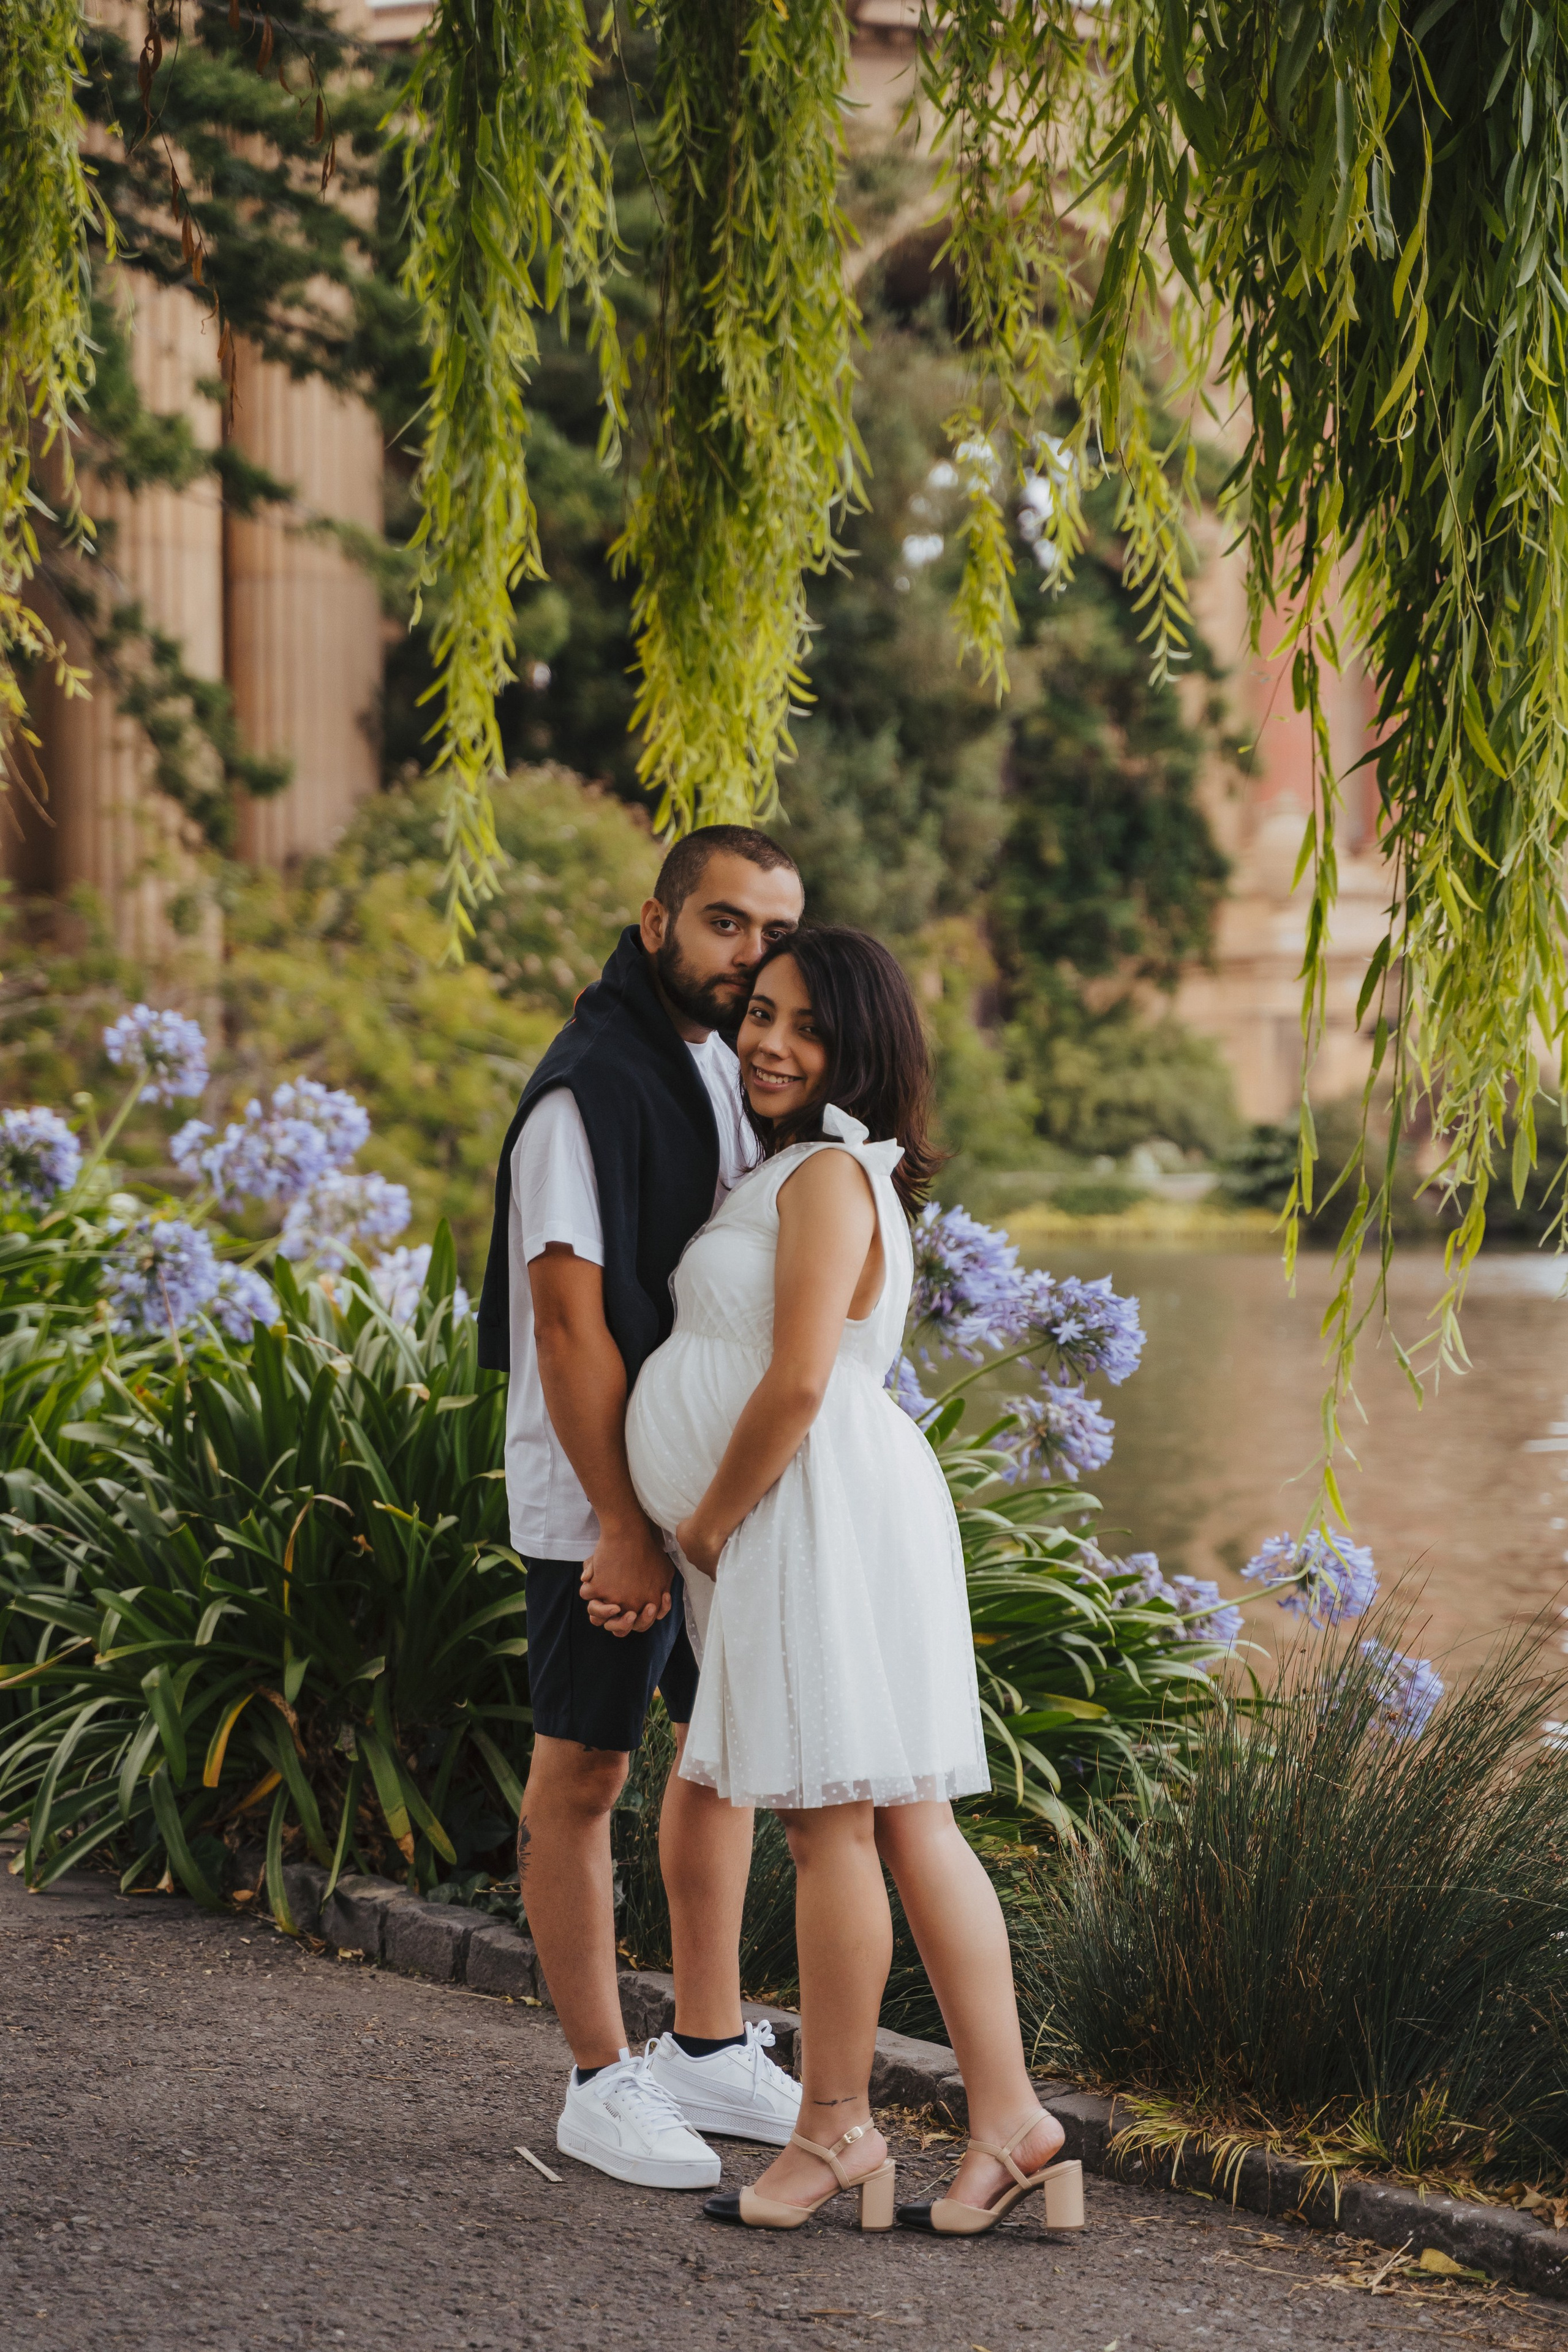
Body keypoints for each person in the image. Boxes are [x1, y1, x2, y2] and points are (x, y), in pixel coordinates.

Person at [621, 927, 1085, 2236]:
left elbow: (798, 1380)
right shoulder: (819, 1172)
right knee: (904, 1817)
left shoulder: (825, 1173)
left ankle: (831, 2129)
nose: (770, 1042)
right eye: (759, 1014)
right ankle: (1008, 2121)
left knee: (835, 1826)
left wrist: (705, 1522)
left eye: (805, 1026)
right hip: (836, 1497)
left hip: (803, 1501)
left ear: (862, 1048)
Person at [475, 827, 807, 2189]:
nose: (748, 957)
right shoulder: (587, 1092)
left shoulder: (732, 1070)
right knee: (586, 1769)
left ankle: (708, 2043)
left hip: (698, 1492)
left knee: (719, 1754)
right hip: (600, 1495)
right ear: (656, 919)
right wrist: (621, 1522)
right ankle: (599, 2081)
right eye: (724, 926)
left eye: (771, 935)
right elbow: (565, 1329)